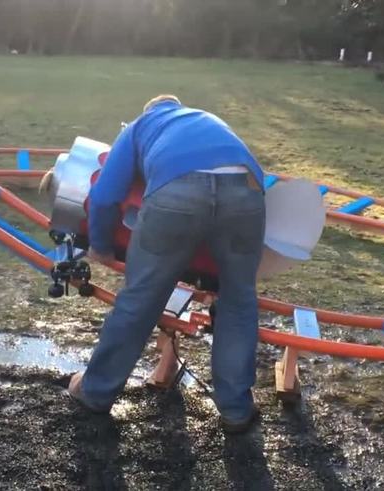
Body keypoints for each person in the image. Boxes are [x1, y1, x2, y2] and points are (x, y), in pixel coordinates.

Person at [68, 95, 267, 433]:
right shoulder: (205, 119)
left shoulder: (140, 126)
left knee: (140, 297)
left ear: (149, 109)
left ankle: (96, 392)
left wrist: (100, 246)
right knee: (239, 299)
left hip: (177, 192)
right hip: (247, 191)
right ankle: (236, 410)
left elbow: (103, 195)